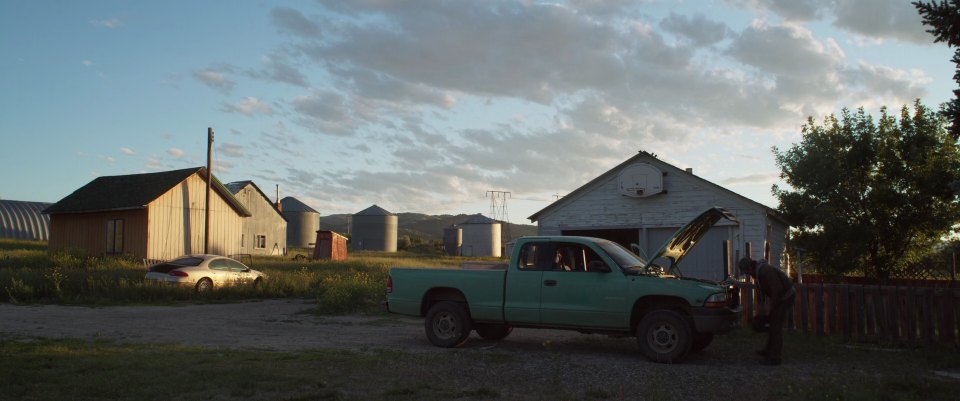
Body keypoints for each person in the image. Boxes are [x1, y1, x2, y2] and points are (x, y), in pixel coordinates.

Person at [738, 257, 796, 366]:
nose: (748, 275)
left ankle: (775, 358)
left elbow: (777, 290)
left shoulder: (765, 271)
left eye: (747, 272)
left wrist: (771, 307)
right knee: (773, 323)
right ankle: (768, 350)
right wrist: (762, 308)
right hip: (780, 297)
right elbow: (763, 293)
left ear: (750, 267)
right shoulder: (758, 273)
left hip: (785, 296)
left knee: (775, 326)